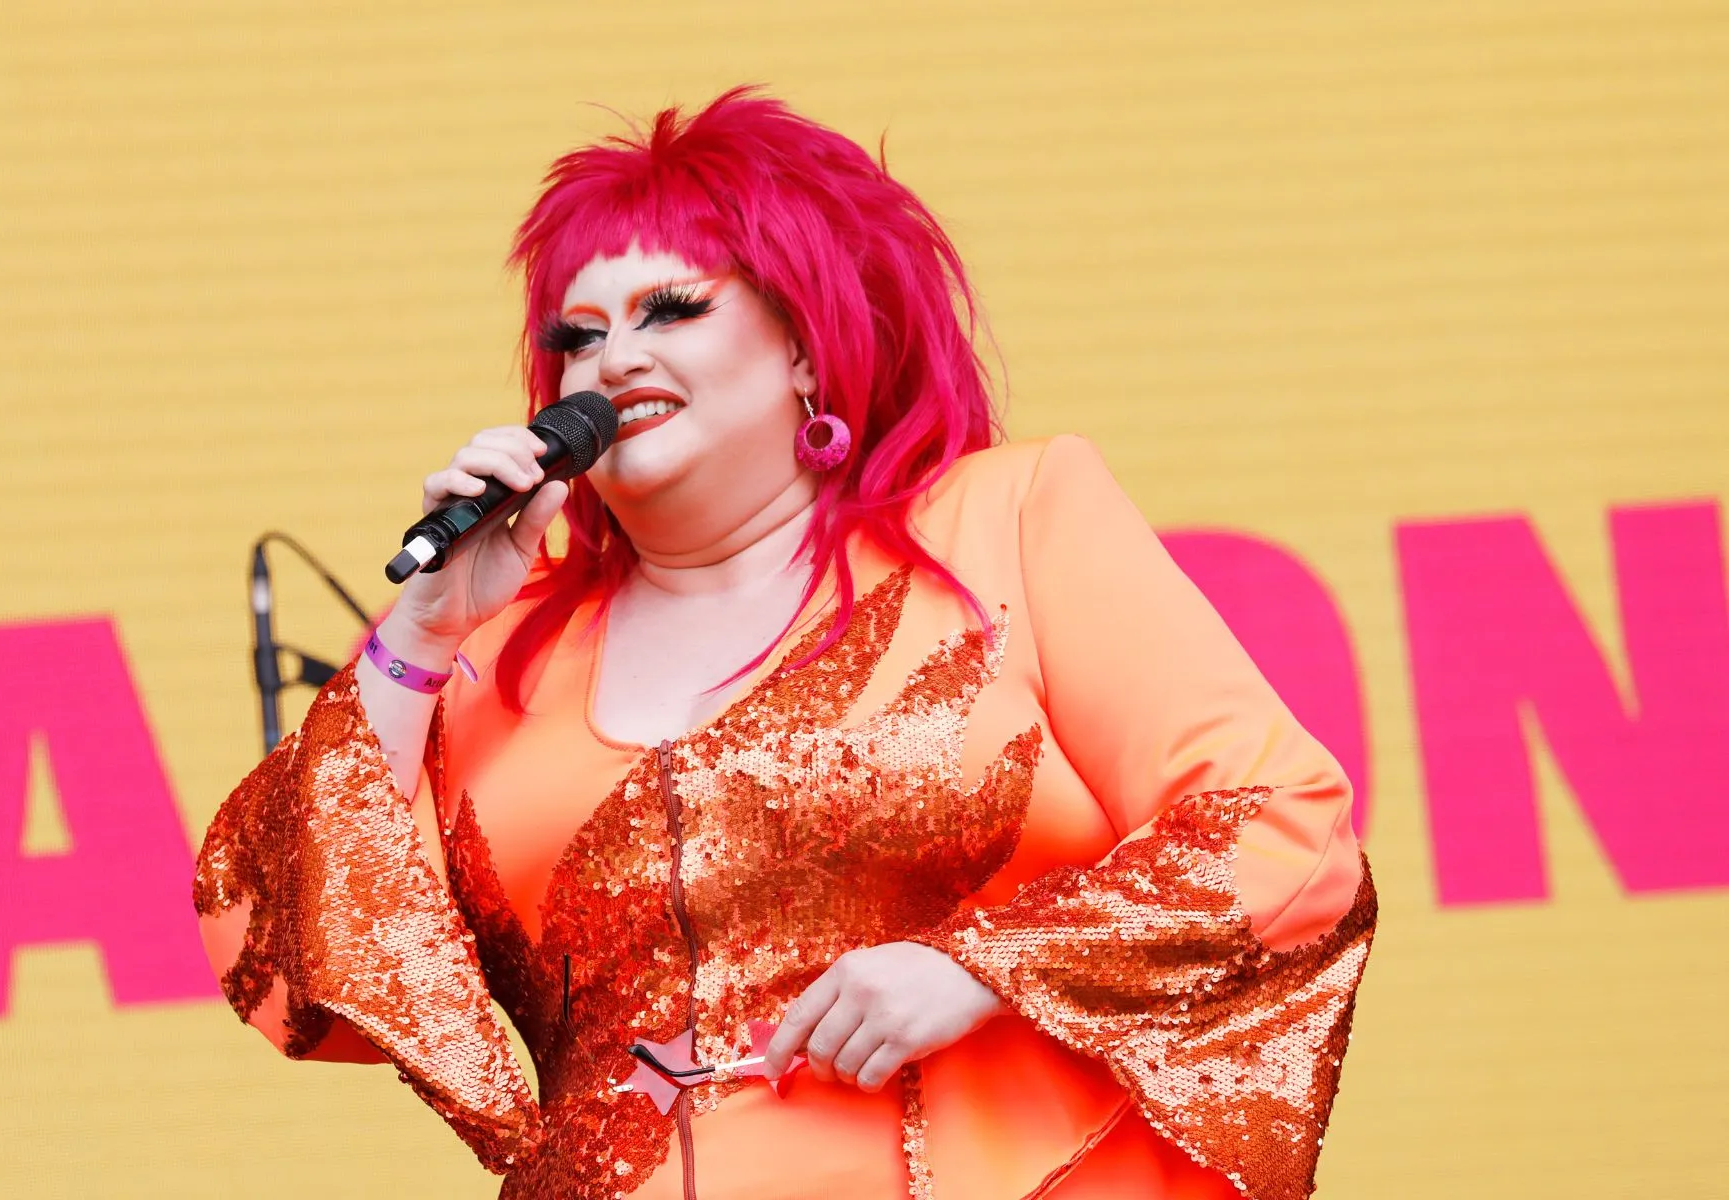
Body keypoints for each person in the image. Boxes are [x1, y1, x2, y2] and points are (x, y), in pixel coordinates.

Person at [195, 88, 1375, 1200]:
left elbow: (1282, 829)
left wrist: (980, 968)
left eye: (672, 309)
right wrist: (419, 631)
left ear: (806, 347)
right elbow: (283, 975)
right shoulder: (490, 646)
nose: (613, 360)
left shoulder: (1002, 523)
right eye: (578, 333)